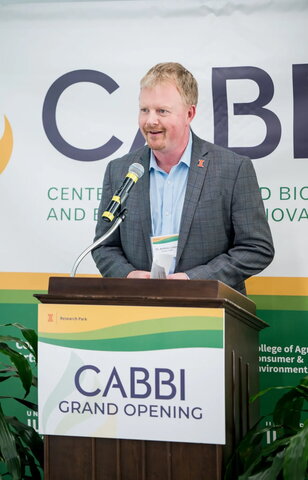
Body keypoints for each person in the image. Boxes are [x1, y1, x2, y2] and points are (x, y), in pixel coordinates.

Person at [92, 62, 274, 294]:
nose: (150, 121)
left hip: (211, 312)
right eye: (144, 110)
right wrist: (128, 275)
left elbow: (257, 248)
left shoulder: (232, 169)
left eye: (162, 111)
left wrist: (193, 280)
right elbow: (104, 246)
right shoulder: (120, 171)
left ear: (189, 113)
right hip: (137, 309)